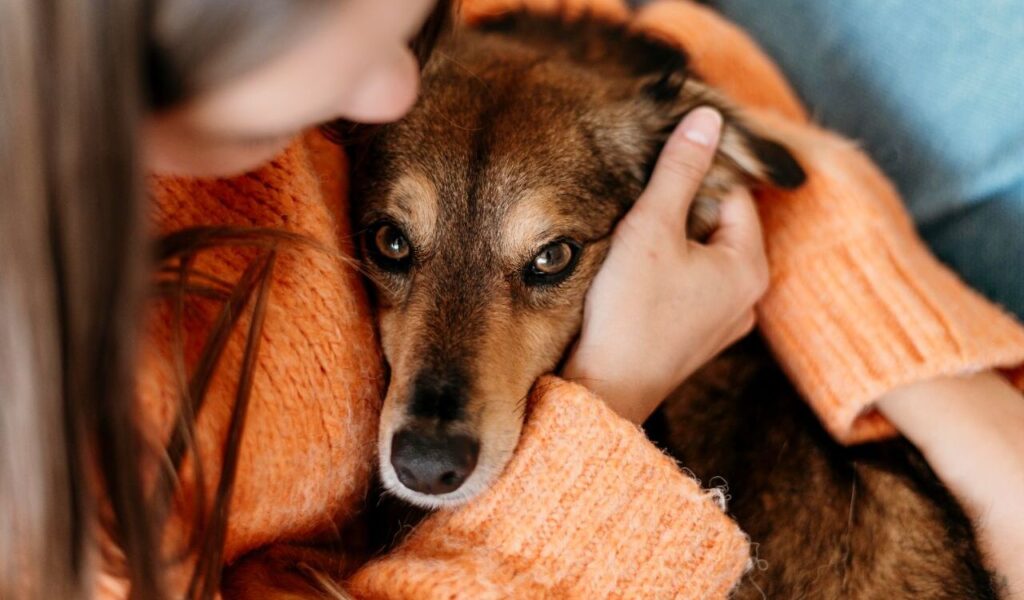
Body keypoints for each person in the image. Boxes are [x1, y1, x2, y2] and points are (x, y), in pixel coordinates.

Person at [0, 1, 1021, 599]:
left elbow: (625, 47)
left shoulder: (360, 64)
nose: (398, 91)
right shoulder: (55, 480)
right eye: (391, 243)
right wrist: (607, 399)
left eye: (413, 22)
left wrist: (947, 398)